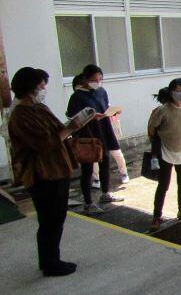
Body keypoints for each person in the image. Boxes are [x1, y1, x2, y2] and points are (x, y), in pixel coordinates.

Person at [8, 67, 79, 276]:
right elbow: (45, 143)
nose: (43, 90)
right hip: (43, 174)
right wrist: (70, 128)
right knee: (49, 220)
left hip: (57, 170)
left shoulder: (38, 108)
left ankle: (52, 259)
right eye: (41, 86)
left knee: (56, 218)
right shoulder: (21, 115)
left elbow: (56, 131)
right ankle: (50, 263)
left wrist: (71, 126)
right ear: (30, 88)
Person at [66, 65, 124, 214]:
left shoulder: (101, 91)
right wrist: (91, 117)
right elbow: (72, 117)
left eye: (100, 79)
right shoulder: (77, 96)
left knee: (105, 162)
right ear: (85, 79)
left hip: (104, 131)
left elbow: (106, 106)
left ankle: (105, 193)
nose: (97, 82)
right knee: (88, 169)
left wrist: (112, 111)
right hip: (88, 135)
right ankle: (88, 203)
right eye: (94, 80)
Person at [148, 78, 181, 231]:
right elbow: (152, 129)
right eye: (177, 90)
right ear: (171, 92)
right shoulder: (163, 110)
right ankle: (157, 216)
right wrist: (155, 150)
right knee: (163, 185)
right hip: (165, 151)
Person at [149, 87, 181, 171]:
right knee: (156, 138)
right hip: (164, 133)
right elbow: (152, 125)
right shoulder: (159, 110)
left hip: (179, 132)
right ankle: (154, 157)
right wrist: (152, 134)